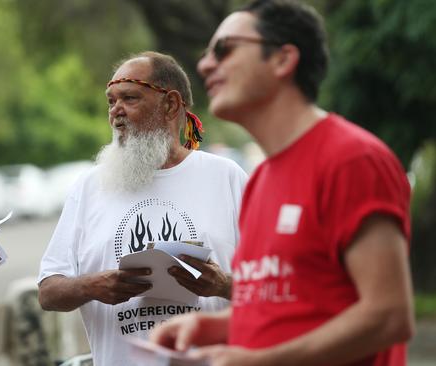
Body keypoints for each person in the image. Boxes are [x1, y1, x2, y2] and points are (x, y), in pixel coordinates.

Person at [149, 1, 414, 365]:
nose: (205, 64)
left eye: (224, 49)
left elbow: (388, 315)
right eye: (207, 53)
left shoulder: (352, 159)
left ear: (283, 59)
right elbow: (285, 306)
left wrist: (264, 361)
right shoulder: (261, 181)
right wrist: (214, 327)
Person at [37, 51, 247, 365]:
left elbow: (274, 290)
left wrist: (220, 285)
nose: (115, 111)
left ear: (171, 105)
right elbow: (48, 292)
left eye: (130, 98)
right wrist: (93, 286)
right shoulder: (89, 187)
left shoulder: (227, 178)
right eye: (110, 101)